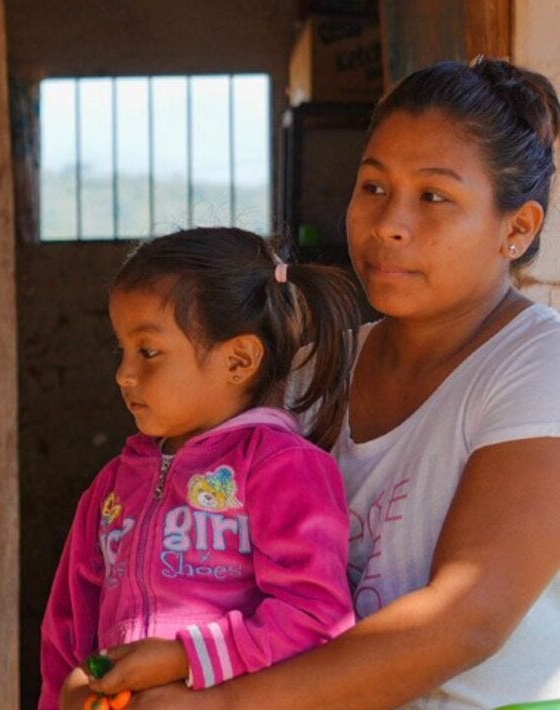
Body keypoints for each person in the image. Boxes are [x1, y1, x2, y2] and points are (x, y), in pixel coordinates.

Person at [107, 57, 560, 710]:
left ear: (516, 228)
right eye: (373, 187)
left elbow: (467, 617)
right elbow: (195, 556)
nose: (387, 224)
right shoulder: (308, 371)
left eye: (433, 197)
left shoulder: (537, 367)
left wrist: (225, 705)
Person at [40, 226, 362, 709]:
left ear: (238, 360)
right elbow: (67, 631)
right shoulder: (112, 486)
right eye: (122, 351)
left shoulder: (282, 467)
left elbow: (316, 618)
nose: (124, 374)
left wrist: (183, 659)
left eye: (148, 352)